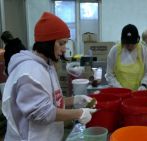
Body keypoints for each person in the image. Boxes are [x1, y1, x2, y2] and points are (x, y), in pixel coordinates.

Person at [1, 12, 96, 141]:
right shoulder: (29, 72)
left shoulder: (48, 65)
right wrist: (79, 113)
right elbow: (42, 113)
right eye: (61, 43)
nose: (64, 49)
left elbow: (51, 101)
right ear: (48, 42)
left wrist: (74, 100)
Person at [105, 24, 147, 91]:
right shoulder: (114, 51)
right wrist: (120, 89)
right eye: (127, 44)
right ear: (122, 41)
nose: (130, 46)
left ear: (137, 40)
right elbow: (110, 75)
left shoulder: (143, 51)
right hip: (119, 93)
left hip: (139, 93)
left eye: (133, 43)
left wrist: (144, 85)